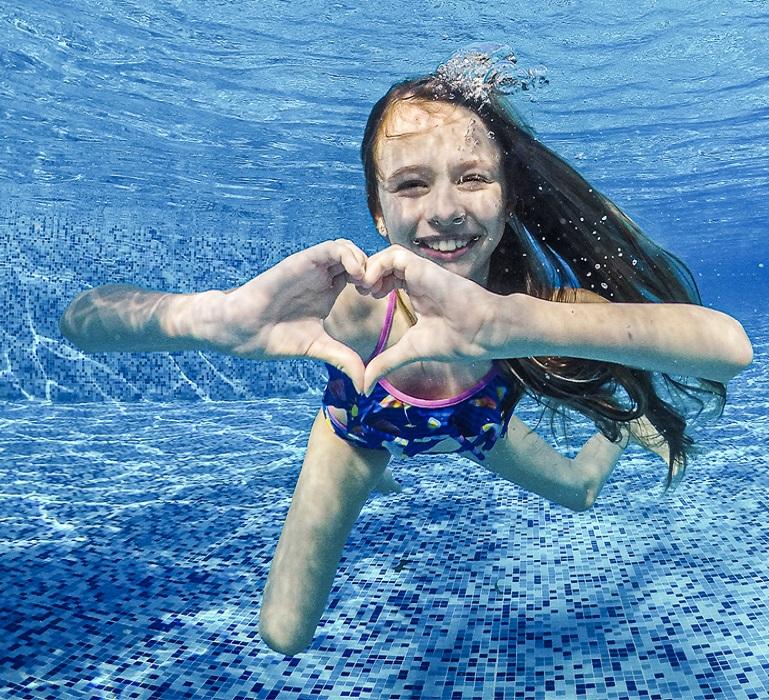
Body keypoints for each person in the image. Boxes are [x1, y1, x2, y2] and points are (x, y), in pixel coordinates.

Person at [60, 48, 752, 656]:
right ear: (378, 212)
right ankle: (387, 472)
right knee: (283, 633)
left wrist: (514, 322)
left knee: (578, 493)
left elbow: (728, 348)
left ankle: (621, 427)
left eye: (472, 178)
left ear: (508, 199)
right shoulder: (359, 304)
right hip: (359, 432)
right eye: (412, 184)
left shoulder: (528, 311)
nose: (444, 209)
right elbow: (80, 320)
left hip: (476, 424)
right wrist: (212, 318)